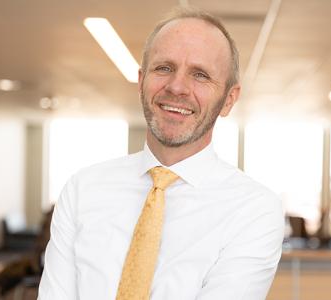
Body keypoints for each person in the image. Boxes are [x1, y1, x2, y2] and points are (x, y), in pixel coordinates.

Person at [38, 7, 284, 300]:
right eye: (164, 68)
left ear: (229, 100)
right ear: (141, 81)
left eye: (200, 75)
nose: (177, 87)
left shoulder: (254, 209)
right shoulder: (82, 189)